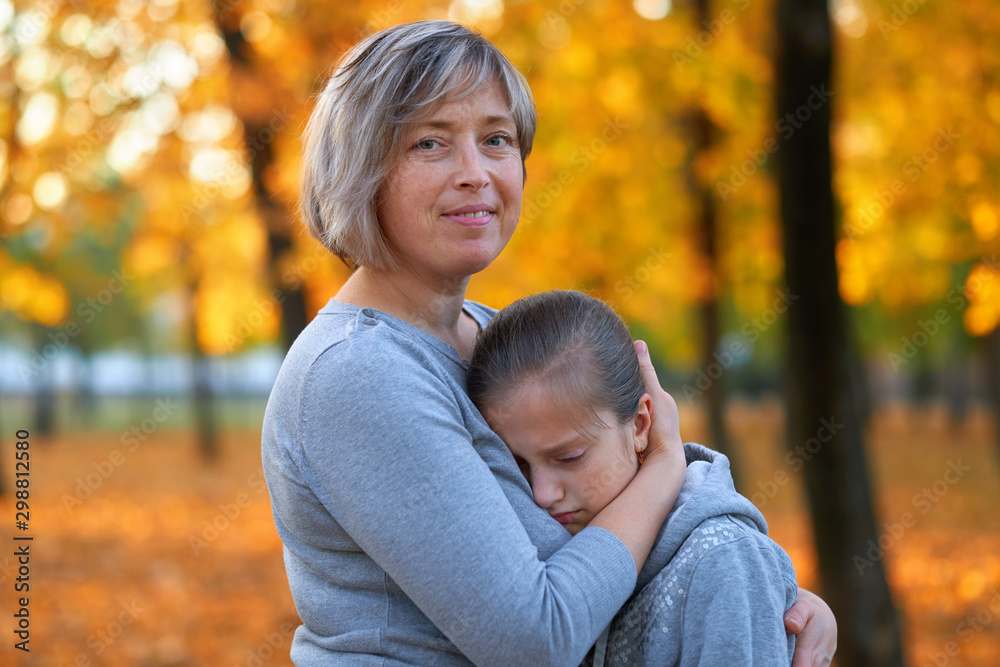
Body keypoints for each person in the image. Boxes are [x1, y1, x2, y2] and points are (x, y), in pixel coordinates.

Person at [261, 19, 836, 666]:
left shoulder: (496, 336)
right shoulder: (358, 372)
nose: (475, 172)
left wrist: (766, 590)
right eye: (430, 143)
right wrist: (667, 467)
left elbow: (605, 532)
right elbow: (537, 637)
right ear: (361, 168)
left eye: (497, 139)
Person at [468, 290, 799, 666]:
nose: (541, 494)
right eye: (519, 466)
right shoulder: (532, 554)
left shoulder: (723, 561)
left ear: (641, 424)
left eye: (569, 457)